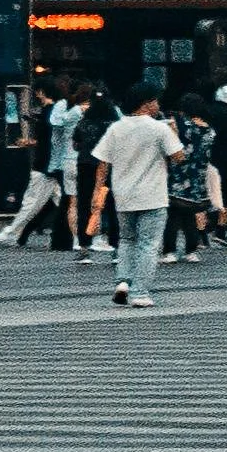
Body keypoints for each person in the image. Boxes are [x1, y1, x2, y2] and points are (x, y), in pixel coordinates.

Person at [78, 83, 185, 310]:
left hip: (123, 195)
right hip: (153, 196)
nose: (158, 105)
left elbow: (102, 162)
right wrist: (174, 131)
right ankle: (140, 292)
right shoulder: (160, 128)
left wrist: (98, 191)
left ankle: (123, 281)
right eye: (155, 100)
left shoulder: (117, 128)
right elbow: (178, 157)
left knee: (127, 240)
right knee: (148, 244)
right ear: (146, 104)